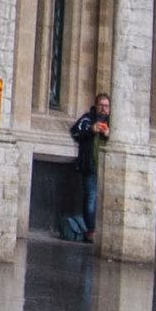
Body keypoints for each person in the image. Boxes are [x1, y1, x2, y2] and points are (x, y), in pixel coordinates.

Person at [64, 92, 110, 243]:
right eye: (101, 105)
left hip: (108, 170)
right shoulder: (87, 119)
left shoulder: (114, 122)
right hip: (90, 167)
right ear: (96, 106)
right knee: (90, 199)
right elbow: (75, 132)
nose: (104, 109)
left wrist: (108, 135)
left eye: (106, 106)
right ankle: (90, 231)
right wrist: (91, 130)